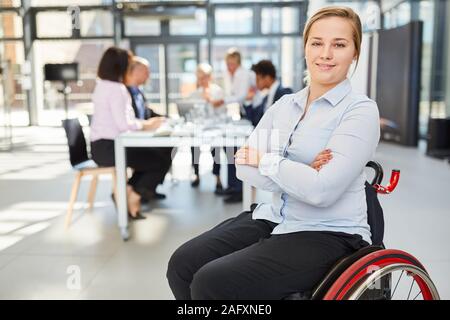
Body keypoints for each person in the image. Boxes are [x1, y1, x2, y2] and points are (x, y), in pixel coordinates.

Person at [167, 6, 380, 300]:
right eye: (317, 42)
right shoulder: (284, 105)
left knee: (211, 282)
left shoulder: (360, 111)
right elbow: (243, 166)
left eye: (339, 44)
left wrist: (270, 161)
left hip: (328, 232)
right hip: (274, 216)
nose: (326, 53)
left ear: (355, 52)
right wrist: (302, 169)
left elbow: (322, 192)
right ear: (305, 47)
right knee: (183, 264)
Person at [90, 47, 167, 219]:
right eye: (128, 63)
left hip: (100, 147)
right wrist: (148, 125)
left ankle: (127, 191)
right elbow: (124, 124)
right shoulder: (117, 89)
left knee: (152, 158)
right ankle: (133, 195)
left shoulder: (101, 85)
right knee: (159, 160)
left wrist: (144, 124)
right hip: (111, 148)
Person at [125, 56, 173, 202]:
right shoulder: (124, 92)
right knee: (160, 159)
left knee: (169, 148)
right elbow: (130, 120)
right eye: (146, 71)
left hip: (141, 139)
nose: (148, 75)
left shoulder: (137, 92)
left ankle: (148, 188)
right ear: (136, 71)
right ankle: (138, 190)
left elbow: (146, 111)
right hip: (129, 143)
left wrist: (165, 117)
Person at [210, 48, 254, 204]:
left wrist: (222, 101)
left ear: (238, 63)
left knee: (235, 149)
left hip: (252, 112)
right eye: (228, 64)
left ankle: (237, 189)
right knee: (231, 147)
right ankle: (233, 186)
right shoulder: (233, 75)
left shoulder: (242, 74)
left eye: (232, 64)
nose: (230, 67)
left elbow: (241, 96)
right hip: (244, 111)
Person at [189, 63, 225, 193]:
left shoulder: (218, 91)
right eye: (199, 78)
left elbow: (222, 114)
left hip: (214, 127)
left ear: (210, 77)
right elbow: (191, 113)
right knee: (193, 145)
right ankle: (196, 174)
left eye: (204, 77)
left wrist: (210, 100)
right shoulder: (194, 94)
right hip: (199, 128)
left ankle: (217, 178)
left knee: (216, 148)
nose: (201, 80)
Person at [244, 60, 293, 127]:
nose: (256, 83)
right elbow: (255, 120)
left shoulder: (285, 94)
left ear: (267, 78)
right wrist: (248, 100)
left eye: (258, 79)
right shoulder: (266, 98)